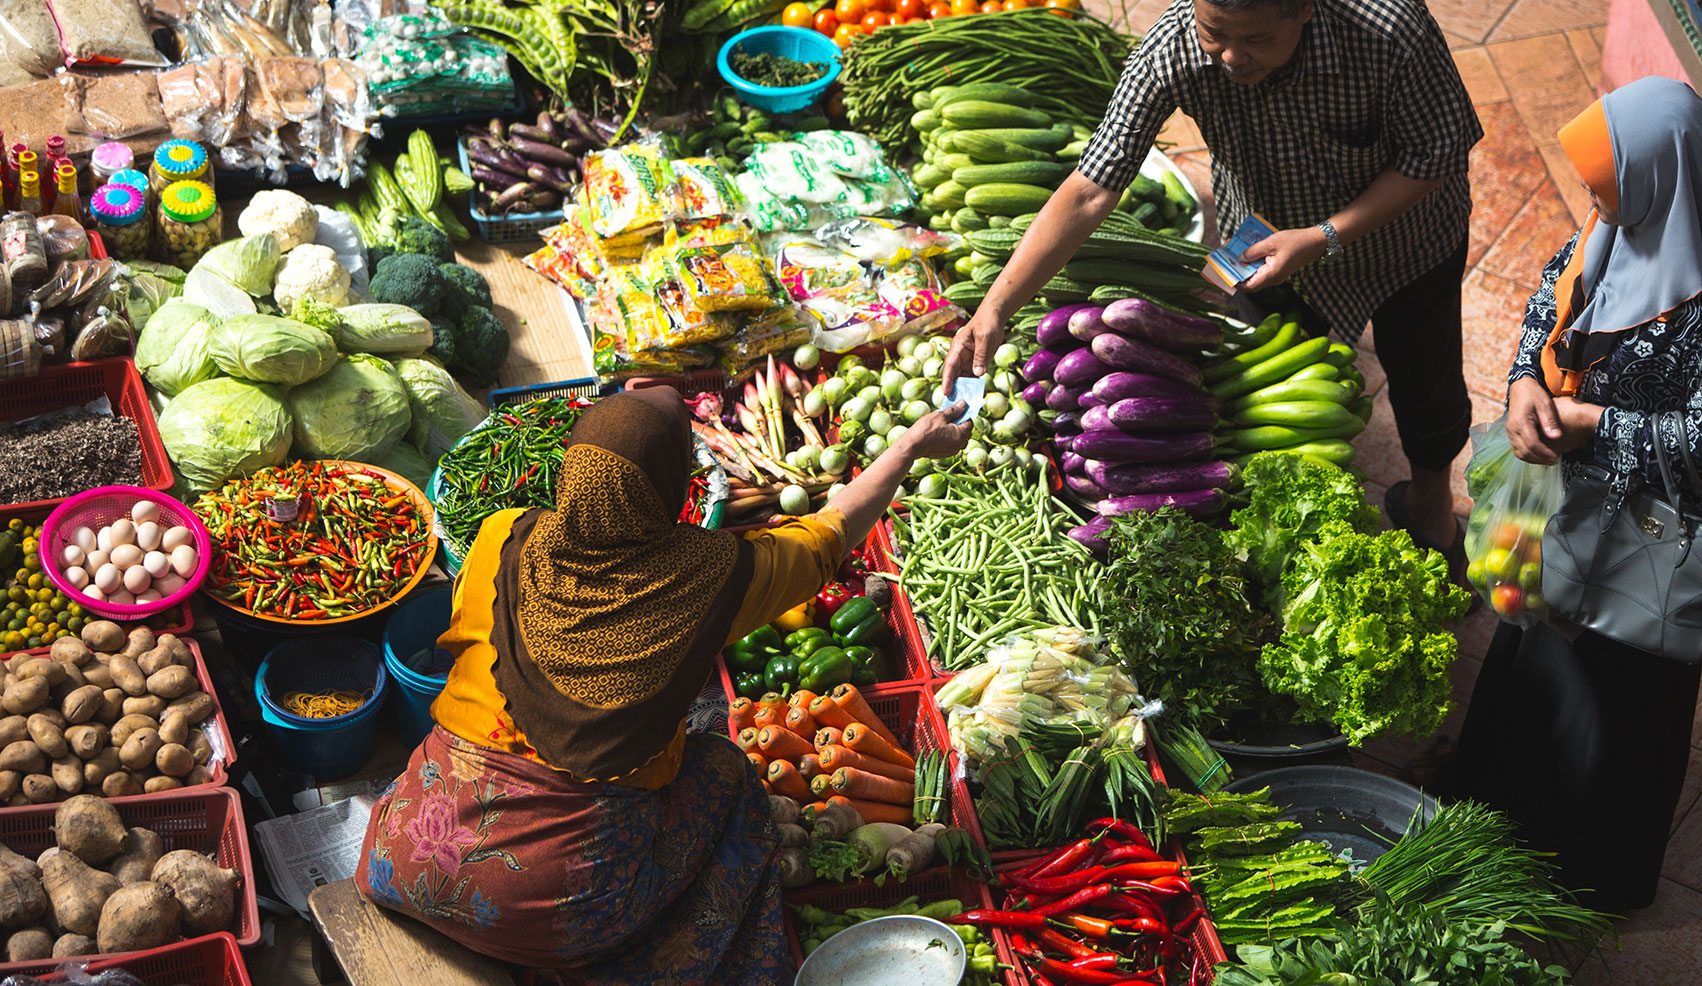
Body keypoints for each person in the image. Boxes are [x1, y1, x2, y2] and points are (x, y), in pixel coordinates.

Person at [355, 387, 971, 982]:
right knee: (725, 771)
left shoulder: (501, 536)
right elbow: (827, 535)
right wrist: (908, 447)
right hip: (557, 918)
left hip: (402, 857)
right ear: (675, 489)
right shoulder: (708, 576)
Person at [942, 0, 1482, 560]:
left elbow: (1436, 152)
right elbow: (1089, 189)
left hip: (1407, 240)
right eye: (1213, 33)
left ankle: (1431, 506)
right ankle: (1285, 514)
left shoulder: (1389, 27)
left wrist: (1322, 235)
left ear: (1305, 11)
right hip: (1261, 232)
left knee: (1426, 381)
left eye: (1254, 40)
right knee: (1255, 364)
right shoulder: (1171, 47)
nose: (1229, 57)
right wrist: (995, 309)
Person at [1453, 76, 1702, 911]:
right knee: (1536, 650)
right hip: (1567, 510)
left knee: (1619, 701)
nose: (1593, 202)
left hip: (1646, 544)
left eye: (1607, 182)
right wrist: (1527, 379)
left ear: (1662, 176)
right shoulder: (1618, 224)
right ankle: (1495, 810)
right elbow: (1545, 300)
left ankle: (1593, 869)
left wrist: (1596, 424)